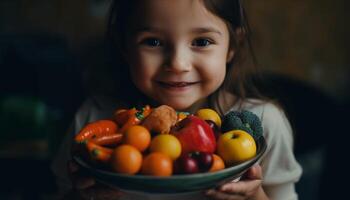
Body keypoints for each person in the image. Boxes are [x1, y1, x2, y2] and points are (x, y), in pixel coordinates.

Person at [51, 0, 302, 199]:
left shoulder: (263, 124)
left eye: (202, 41)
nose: (178, 64)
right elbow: (60, 191)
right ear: (124, 46)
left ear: (232, 45)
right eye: (153, 41)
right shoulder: (92, 120)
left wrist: (254, 196)